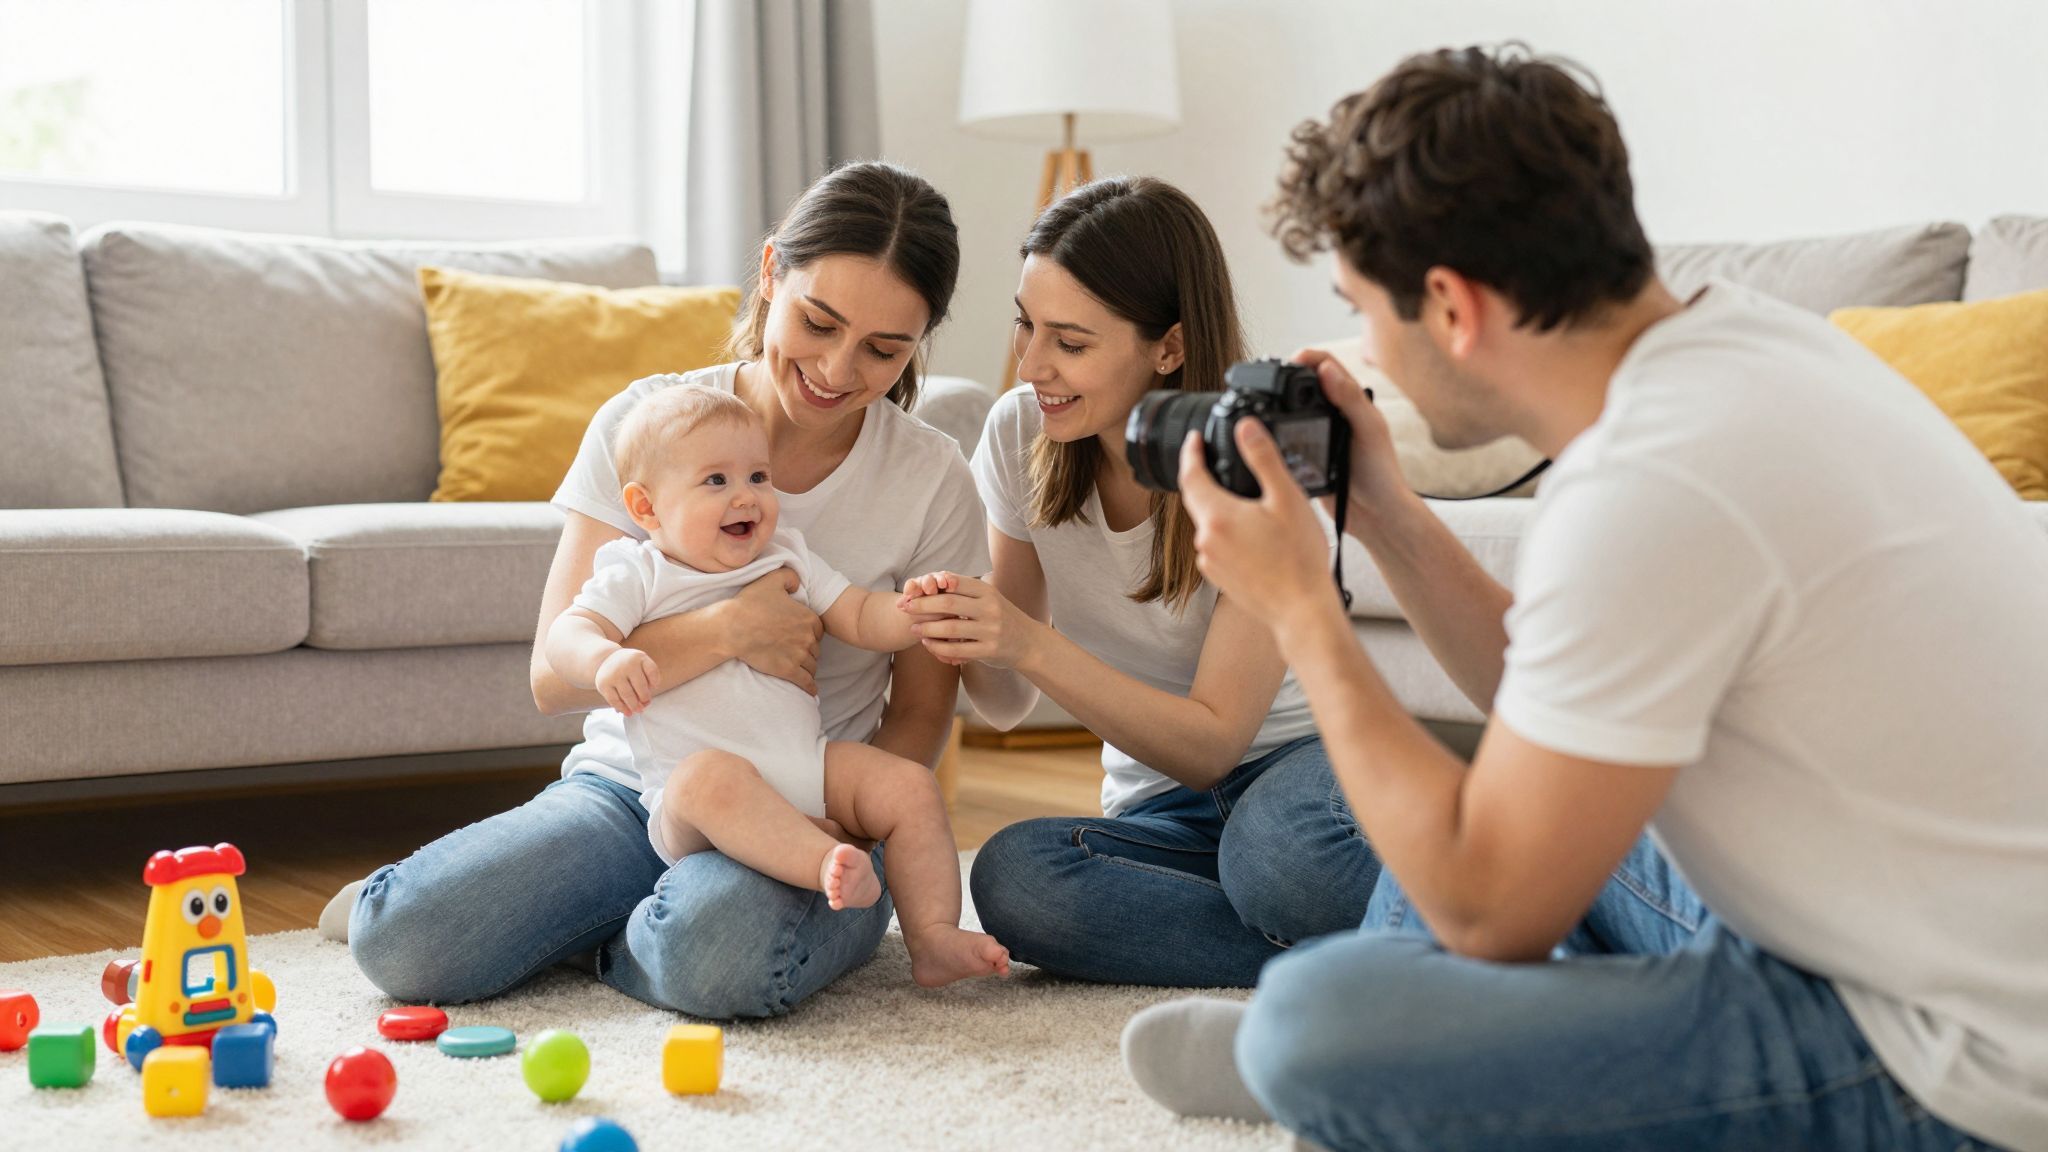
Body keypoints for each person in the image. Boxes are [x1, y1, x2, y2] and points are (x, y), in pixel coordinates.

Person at [1124, 44, 2047, 1152]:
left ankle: (1410, 1053)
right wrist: (1387, 517)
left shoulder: (1652, 482)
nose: (1363, 352)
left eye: (1362, 312)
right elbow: (1546, 692)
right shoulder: (1748, 348)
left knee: (1308, 1032)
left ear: (1451, 308)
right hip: (1908, 924)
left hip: (1963, 1058)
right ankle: (1465, 1048)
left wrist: (1299, 617)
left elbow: (1484, 907)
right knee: (1516, 805)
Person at [343, 161, 991, 1018]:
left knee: (719, 955)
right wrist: (730, 630)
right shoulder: (647, 428)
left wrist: (846, 826)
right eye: (818, 322)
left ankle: (590, 937)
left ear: (920, 342)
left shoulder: (930, 477)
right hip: (629, 789)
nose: (837, 369)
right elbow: (555, 675)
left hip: (803, 806)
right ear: (770, 274)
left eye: (884, 349)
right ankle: (620, 930)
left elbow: (917, 712)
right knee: (401, 937)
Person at [900, 176, 1381, 987]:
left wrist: (1027, 641)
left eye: (1071, 342)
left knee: (1280, 861)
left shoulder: (1253, 456)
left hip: (1304, 779)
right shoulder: (1021, 430)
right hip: (1161, 814)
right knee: (1015, 878)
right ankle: (1352, 953)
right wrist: (951, 612)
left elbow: (1213, 745)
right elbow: (1006, 702)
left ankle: (1348, 933)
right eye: (1026, 324)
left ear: (1170, 346)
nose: (1032, 364)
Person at [543, 384, 1008, 987]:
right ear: (647, 508)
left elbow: (862, 615)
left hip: (805, 767)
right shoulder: (640, 571)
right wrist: (605, 658)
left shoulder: (787, 553)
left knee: (910, 786)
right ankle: (822, 863)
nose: (747, 496)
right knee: (711, 776)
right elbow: (567, 635)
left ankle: (935, 935)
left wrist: (918, 609)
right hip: (695, 794)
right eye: (716, 481)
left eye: (759, 476)